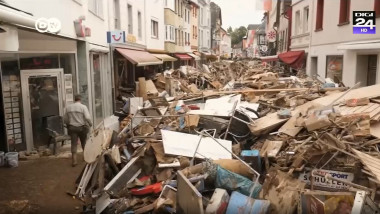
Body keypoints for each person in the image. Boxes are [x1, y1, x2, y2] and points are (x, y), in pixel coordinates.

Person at [63, 94, 92, 166]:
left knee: (74, 144)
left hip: (72, 128)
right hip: (82, 128)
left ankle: (74, 160)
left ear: (74, 99)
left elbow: (65, 119)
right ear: (80, 99)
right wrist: (90, 124)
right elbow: (87, 117)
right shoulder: (83, 107)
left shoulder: (68, 107)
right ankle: (85, 158)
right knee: (84, 142)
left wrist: (68, 124)